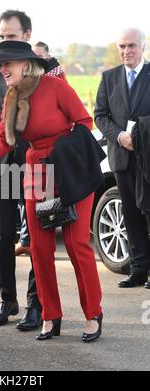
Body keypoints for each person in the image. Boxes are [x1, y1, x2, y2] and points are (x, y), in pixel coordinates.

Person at [0, 40, 103, 342]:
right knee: (39, 247)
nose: (2, 69)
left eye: (7, 63)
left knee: (77, 244)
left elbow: (85, 122)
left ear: (25, 64)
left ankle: (93, 313)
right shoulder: (11, 97)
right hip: (36, 168)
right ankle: (50, 314)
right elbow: (4, 141)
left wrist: (62, 150)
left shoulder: (55, 86)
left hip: (69, 165)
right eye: (0, 65)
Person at [0, 10, 42, 331]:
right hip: (2, 166)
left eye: (12, 36)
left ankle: (36, 304)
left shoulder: (49, 69)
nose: (6, 42)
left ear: (28, 35)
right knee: (3, 234)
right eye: (2, 36)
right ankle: (8, 300)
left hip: (38, 166)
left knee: (37, 237)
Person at [94, 28, 150, 289]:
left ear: (143, 47)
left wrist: (140, 132)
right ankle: (138, 270)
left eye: (132, 46)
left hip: (147, 156)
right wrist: (118, 136)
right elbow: (101, 115)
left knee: (148, 210)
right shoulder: (109, 78)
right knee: (130, 212)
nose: (126, 51)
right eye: (122, 46)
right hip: (121, 156)